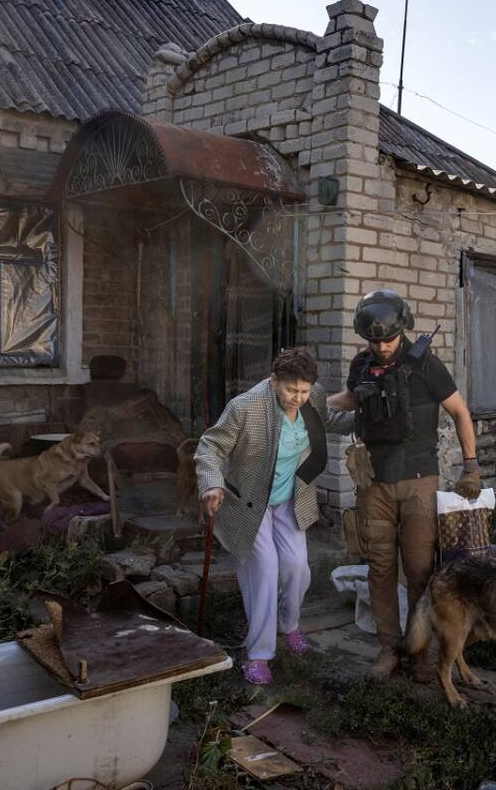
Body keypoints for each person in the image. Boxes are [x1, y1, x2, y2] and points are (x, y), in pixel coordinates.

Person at [327, 289, 481, 681]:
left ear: (403, 329)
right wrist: (309, 402)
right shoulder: (361, 364)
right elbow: (351, 399)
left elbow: (460, 412)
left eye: (388, 340)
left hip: (418, 480)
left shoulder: (427, 365)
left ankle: (420, 651)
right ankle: (389, 648)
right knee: (379, 568)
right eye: (373, 340)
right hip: (373, 481)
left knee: (418, 570)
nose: (381, 347)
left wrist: (471, 465)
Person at [196, 348, 354, 685]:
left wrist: (370, 420)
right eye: (290, 390)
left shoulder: (313, 396)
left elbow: (329, 420)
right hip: (249, 504)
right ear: (273, 381)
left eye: (304, 391)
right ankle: (258, 654)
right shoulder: (245, 407)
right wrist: (211, 484)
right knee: (265, 572)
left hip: (289, 499)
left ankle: (289, 624)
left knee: (297, 568)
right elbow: (210, 447)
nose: (298, 397)